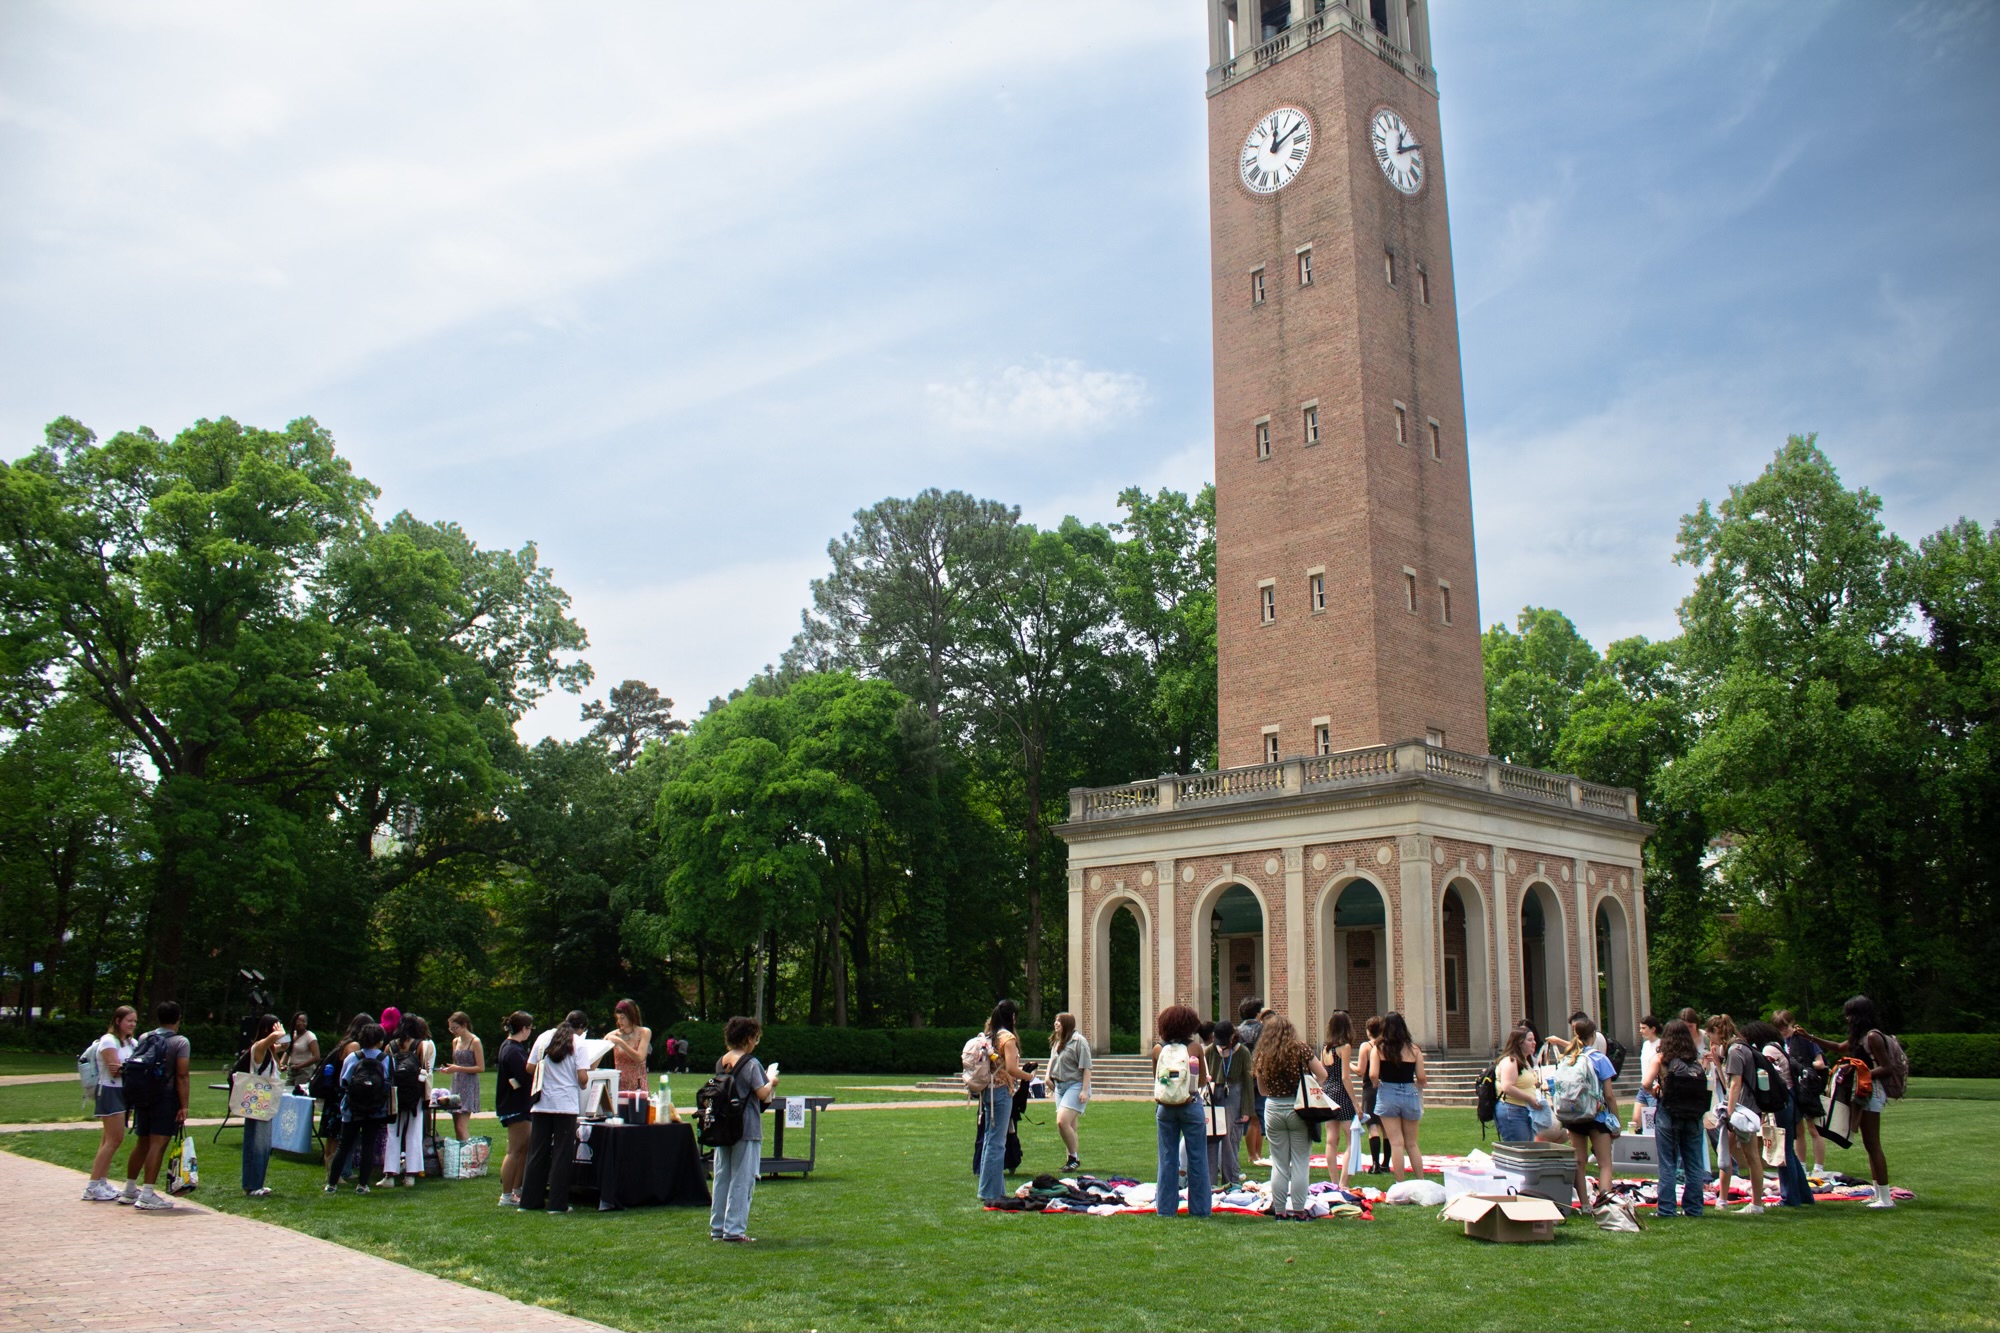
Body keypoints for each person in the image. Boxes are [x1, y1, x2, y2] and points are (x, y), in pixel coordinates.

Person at [1796, 995, 1897, 1209]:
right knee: (1870, 1146)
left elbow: (1887, 1067)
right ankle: (1878, 1193)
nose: (1847, 1018)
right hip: (1862, 1091)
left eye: (1850, 1014)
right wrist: (1810, 1038)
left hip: (1871, 1091)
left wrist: (1862, 1072)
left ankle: (1886, 1198)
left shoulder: (1873, 1037)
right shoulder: (1860, 1037)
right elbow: (1839, 1047)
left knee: (1873, 1144)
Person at [710, 1015, 778, 1243]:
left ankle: (717, 1227)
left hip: (723, 1126)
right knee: (742, 1178)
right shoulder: (751, 1063)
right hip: (746, 1126)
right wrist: (771, 1080)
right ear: (749, 1038)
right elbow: (761, 1093)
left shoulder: (722, 1061)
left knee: (722, 1176)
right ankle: (734, 1230)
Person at [117, 1000, 191, 1211]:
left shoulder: (145, 1037)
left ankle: (130, 1189)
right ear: (178, 1019)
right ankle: (148, 1193)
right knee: (158, 1145)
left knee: (142, 1142)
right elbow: (182, 1075)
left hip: (143, 1096)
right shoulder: (180, 1042)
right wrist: (184, 1105)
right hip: (165, 1098)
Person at [1253, 1015, 1329, 1218]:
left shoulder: (1263, 1054)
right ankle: (1298, 1209)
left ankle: (1279, 1210)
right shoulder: (1301, 1049)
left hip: (1274, 1108)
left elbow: (1261, 1090)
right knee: (1300, 1161)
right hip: (1299, 1107)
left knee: (1279, 1163)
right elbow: (1322, 1074)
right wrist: (1312, 1089)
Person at [519, 1012, 590, 1213]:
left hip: (542, 1102)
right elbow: (582, 1077)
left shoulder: (543, 1037)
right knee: (561, 1154)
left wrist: (549, 1074)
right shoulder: (578, 1043)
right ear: (581, 1027)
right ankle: (557, 1204)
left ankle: (529, 1201)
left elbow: (530, 1067)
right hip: (565, 1105)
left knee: (537, 1152)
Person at [1150, 1004, 1212, 1218]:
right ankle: (1200, 1209)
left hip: (1165, 1107)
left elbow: (1157, 1078)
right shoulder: (1194, 1048)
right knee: (1197, 1158)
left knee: (1167, 1158)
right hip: (1190, 1104)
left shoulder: (1158, 1049)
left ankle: (1166, 1209)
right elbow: (1202, 1080)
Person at [1554, 1015, 1622, 1208]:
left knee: (1579, 1162)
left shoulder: (1567, 1058)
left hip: (1573, 1115)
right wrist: (1615, 1120)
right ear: (1593, 1035)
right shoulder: (1600, 1059)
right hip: (1596, 1115)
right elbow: (1609, 1095)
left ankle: (1584, 1204)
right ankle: (1604, 1202)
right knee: (1605, 1163)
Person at [1644, 1018, 1709, 1218]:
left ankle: (1666, 1209)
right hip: (1693, 1115)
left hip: (1668, 1113)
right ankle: (1694, 1208)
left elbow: (1646, 1083)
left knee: (1668, 1162)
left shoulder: (1661, 1058)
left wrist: (1657, 1092)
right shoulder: (1694, 1060)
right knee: (1694, 1163)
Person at [1744, 1019, 1812, 1208]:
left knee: (1782, 1149)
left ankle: (1789, 1197)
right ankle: (1804, 1194)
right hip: (1790, 1098)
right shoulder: (1778, 1046)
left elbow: (1767, 1077)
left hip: (1781, 1099)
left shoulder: (1768, 1051)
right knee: (1788, 1148)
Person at [325, 1023, 393, 1195]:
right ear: (379, 1040)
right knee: (368, 1146)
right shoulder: (386, 1059)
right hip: (375, 1109)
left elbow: (343, 1081)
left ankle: (332, 1183)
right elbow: (388, 1083)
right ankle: (362, 1185)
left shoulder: (352, 1057)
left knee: (344, 1145)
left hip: (352, 1108)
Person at [975, 999, 1031, 1205]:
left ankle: (993, 1190)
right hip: (1000, 1091)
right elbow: (1012, 1068)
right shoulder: (1007, 1037)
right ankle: (990, 1193)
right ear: (1013, 1017)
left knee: (991, 1141)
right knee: (997, 1144)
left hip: (988, 1090)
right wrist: (1030, 1078)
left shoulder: (991, 1034)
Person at [81, 1006, 138, 1202]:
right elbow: (115, 1070)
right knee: (115, 1139)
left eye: (134, 1021)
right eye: (128, 1020)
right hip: (109, 1091)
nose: (132, 1024)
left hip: (124, 1092)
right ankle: (92, 1186)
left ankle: (101, 1181)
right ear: (117, 1021)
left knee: (107, 1140)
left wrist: (132, 1069)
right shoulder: (108, 1041)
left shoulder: (131, 1043)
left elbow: (129, 1067)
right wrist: (135, 1069)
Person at [1711, 1014, 1766, 1214]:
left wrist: (1729, 1112)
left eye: (1712, 1035)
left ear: (1718, 1032)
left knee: (1737, 1154)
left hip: (1742, 1112)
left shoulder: (1735, 1051)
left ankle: (1752, 1203)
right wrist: (1717, 1063)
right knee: (1730, 1152)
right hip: (1747, 1109)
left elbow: (1734, 1085)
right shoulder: (1742, 1048)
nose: (1712, 1041)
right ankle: (1725, 1199)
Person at [1364, 1011, 1426, 1181]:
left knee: (1396, 1142)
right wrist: (1419, 1084)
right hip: (1409, 1090)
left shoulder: (1378, 1048)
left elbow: (1373, 1074)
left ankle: (1400, 1182)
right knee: (1412, 1143)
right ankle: (1420, 1180)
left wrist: (1377, 1083)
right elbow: (1421, 1077)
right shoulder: (1414, 1049)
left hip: (1388, 1092)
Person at [380, 1013, 435, 1188]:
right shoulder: (422, 1046)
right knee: (414, 1133)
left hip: (394, 1094)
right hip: (414, 1095)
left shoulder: (390, 1046)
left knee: (393, 1133)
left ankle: (389, 1174)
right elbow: (427, 1073)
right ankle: (411, 1174)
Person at [1775, 1009, 1827, 1173]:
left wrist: (1804, 1067)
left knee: (1814, 1129)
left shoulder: (1805, 1038)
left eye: (1785, 1027)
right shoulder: (1779, 1042)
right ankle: (1802, 1166)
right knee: (1798, 1131)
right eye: (1779, 1028)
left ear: (1792, 1023)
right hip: (1791, 1089)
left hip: (1807, 1088)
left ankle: (1819, 1166)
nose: (1783, 1031)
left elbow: (1821, 1063)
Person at [239, 1014, 286, 1197]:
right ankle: (252, 1184)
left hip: (267, 1100)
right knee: (256, 1143)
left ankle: (258, 1182)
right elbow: (274, 1039)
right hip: (259, 1100)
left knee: (264, 1144)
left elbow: (285, 1045)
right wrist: (278, 1032)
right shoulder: (258, 1047)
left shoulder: (270, 1051)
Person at [493, 1012, 534, 1207]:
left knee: (523, 1148)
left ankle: (517, 1190)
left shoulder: (509, 1047)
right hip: (516, 1106)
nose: (530, 1033)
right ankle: (506, 1195)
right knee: (514, 1150)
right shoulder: (514, 1050)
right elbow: (524, 1076)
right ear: (524, 1028)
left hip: (517, 1104)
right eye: (529, 1028)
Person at [320, 1013, 372, 1167]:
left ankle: (330, 1168)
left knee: (332, 1137)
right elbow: (353, 1072)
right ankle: (335, 1171)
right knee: (338, 1136)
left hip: (333, 1094)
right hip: (341, 1095)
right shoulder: (354, 1046)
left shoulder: (343, 1042)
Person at [1319, 1011, 1360, 1190]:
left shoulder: (1325, 1048)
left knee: (1331, 1140)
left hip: (1327, 1092)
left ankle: (1334, 1181)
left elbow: (1322, 1074)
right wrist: (1356, 1103)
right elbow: (1345, 1077)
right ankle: (1343, 1182)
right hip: (1341, 1093)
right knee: (1351, 1138)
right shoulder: (1345, 1047)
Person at [1048, 1012, 1092, 1172]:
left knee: (1062, 1121)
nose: (1056, 1024)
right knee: (1070, 1126)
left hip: (1076, 1085)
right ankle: (1070, 1160)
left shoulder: (1079, 1041)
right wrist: (1048, 1077)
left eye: (1059, 1022)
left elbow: (1087, 1067)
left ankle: (1074, 1157)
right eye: (1055, 1021)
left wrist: (1084, 1091)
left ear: (1067, 1023)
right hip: (1060, 1087)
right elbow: (1053, 1060)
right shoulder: (1058, 1041)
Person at [1492, 1023, 1547, 1144]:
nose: (1534, 1043)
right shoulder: (1511, 1061)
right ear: (1519, 1042)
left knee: (1526, 1148)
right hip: (1512, 1110)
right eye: (1530, 1040)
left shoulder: (1525, 1061)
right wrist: (1529, 1098)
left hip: (1525, 1109)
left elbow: (1525, 1082)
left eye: (1534, 1040)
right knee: (1519, 1149)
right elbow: (1507, 1087)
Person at [1212, 1021, 1249, 1186]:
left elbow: (1248, 1082)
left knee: (1231, 1138)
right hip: (1214, 1092)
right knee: (1212, 1137)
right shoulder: (1210, 1051)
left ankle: (1232, 1179)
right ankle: (1210, 1178)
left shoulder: (1242, 1052)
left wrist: (1246, 1109)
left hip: (1234, 1093)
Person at [440, 1011, 486, 1142]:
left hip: (469, 1084)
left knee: (461, 1126)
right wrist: (449, 1070)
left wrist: (458, 1068)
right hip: (457, 1083)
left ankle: (470, 1156)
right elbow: (456, 1064)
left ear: (464, 1025)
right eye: (450, 1028)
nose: (453, 1031)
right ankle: (460, 1157)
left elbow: (481, 1068)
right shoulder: (455, 1041)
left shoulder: (475, 1041)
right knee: (456, 1126)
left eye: (455, 1028)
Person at [1235, 996, 1266, 1163]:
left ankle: (1253, 1154)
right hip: (1259, 1076)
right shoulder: (1263, 1030)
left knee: (1251, 1115)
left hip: (1243, 1077)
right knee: (1257, 1117)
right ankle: (1255, 1155)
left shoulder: (1237, 1031)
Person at [1357, 1015, 1386, 1173]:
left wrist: (1349, 1065)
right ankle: (1386, 1163)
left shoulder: (1366, 1046)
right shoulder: (1386, 1046)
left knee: (1373, 1125)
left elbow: (1361, 1070)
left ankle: (1375, 1164)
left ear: (1369, 1031)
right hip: (1385, 1087)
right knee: (1386, 1127)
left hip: (1370, 1087)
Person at [605, 999, 652, 1095]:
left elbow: (639, 1057)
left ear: (631, 1016)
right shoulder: (613, 1035)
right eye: (617, 1018)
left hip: (638, 1085)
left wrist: (621, 1042)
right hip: (619, 1084)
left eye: (622, 1018)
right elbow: (598, 1052)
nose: (619, 1021)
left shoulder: (644, 1032)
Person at [1629, 1015, 1662, 1134]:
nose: (1641, 1031)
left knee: (1653, 1123)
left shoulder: (1661, 1044)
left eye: (1644, 1028)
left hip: (1654, 1087)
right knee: (1636, 1121)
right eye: (1640, 1028)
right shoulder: (1645, 1044)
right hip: (1643, 1087)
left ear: (1653, 1029)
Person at [282, 1013, 319, 1093]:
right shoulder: (291, 1035)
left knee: (298, 1096)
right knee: (286, 1094)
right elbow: (284, 1049)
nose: (301, 1023)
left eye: (304, 1021)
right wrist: (282, 1064)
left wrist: (299, 1066)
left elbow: (316, 1057)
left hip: (303, 1072)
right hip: (291, 1071)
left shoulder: (310, 1036)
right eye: (299, 1020)